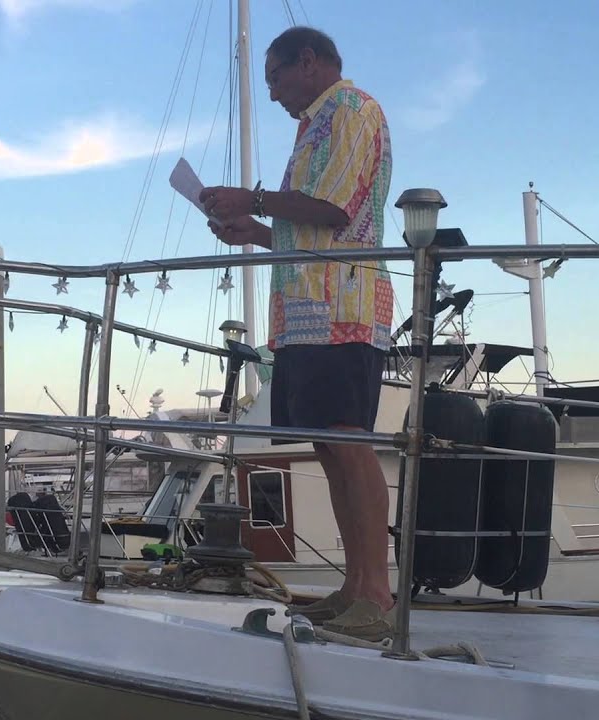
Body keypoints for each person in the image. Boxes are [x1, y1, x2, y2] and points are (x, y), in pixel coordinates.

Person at [199, 26, 394, 640]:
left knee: (348, 441)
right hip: (310, 310)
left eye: (276, 78)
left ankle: (377, 595)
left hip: (343, 305)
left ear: (307, 62)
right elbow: (312, 223)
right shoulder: (318, 122)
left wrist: (251, 197)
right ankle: (355, 588)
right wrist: (253, 230)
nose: (275, 92)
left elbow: (334, 209)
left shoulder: (351, 110)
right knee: (329, 446)